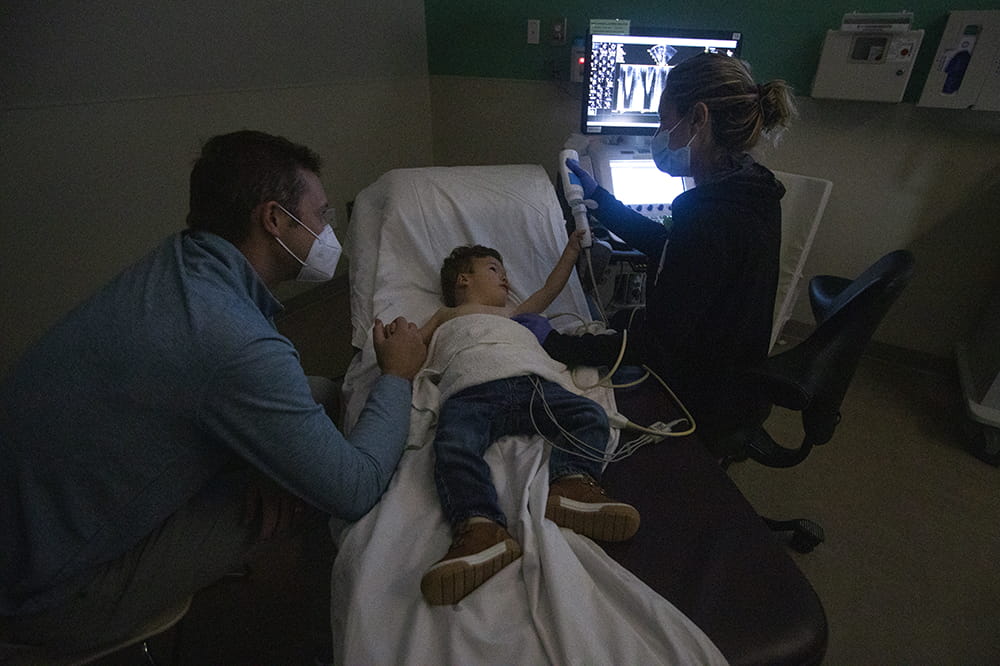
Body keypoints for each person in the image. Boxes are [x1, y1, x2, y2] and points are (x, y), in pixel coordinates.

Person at [0, 130, 427, 655]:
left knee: (321, 395)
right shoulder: (233, 339)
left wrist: (274, 456)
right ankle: (334, 639)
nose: (326, 230)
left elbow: (217, 391)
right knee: (314, 490)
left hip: (33, 518)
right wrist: (398, 375)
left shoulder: (181, 267)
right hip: (44, 593)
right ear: (274, 220)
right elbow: (356, 487)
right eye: (319, 216)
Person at [545, 53, 797, 458]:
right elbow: (679, 254)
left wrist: (559, 345)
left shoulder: (709, 213)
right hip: (735, 382)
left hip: (698, 400)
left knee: (571, 408)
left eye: (665, 121)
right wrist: (601, 202)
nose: (661, 134)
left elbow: (656, 346)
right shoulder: (754, 190)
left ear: (699, 119)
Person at [417, 233, 640, 606]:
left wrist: (570, 252)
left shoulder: (515, 314)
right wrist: (395, 341)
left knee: (589, 415)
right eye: (494, 270)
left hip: (531, 383)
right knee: (454, 446)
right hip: (472, 389)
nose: (506, 278)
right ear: (463, 279)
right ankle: (480, 527)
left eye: (505, 271)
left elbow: (551, 289)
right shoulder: (446, 316)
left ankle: (571, 484)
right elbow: (412, 345)